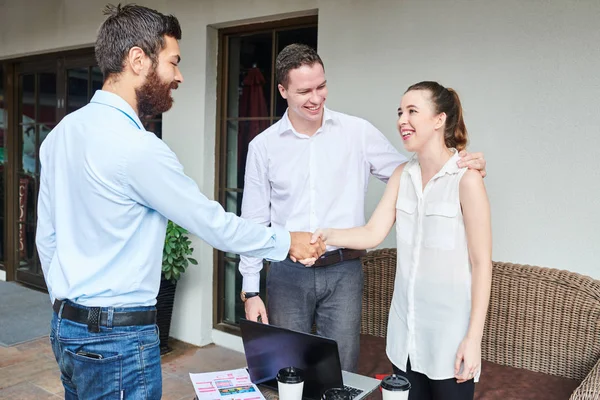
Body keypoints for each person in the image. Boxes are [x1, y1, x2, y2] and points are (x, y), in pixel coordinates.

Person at [35, 5, 324, 400]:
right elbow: (210, 222)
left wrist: (67, 306)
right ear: (138, 60)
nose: (179, 75)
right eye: (173, 61)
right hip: (117, 342)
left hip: (67, 331)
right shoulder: (137, 148)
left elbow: (46, 238)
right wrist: (287, 241)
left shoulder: (60, 134)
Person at [239, 43, 487, 372]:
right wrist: (251, 290)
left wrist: (462, 164)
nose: (316, 98)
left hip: (344, 272)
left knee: (341, 373)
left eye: (321, 86)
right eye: (304, 91)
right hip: (287, 274)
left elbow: (416, 175)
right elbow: (254, 222)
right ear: (283, 91)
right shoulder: (263, 147)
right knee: (287, 371)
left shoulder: (357, 133)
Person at [311, 81, 492, 400]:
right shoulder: (400, 177)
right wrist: (326, 236)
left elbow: (481, 264)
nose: (401, 120)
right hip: (404, 338)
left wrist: (473, 339)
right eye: (399, 112)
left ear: (439, 120)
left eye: (412, 111)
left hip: (449, 340)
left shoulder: (467, 180)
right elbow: (372, 232)